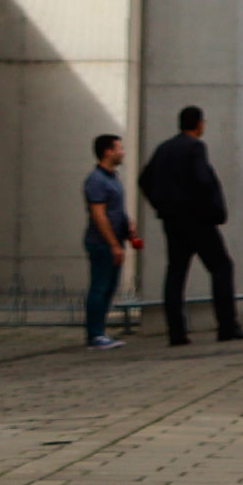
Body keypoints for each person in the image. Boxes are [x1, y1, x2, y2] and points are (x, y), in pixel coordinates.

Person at [138, 106, 243, 347]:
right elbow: (204, 181)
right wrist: (213, 211)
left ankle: (177, 333)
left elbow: (144, 179)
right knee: (221, 266)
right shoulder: (195, 147)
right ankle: (227, 326)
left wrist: (161, 205)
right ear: (199, 124)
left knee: (176, 273)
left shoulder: (164, 148)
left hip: (172, 221)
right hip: (198, 221)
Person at [81, 134, 134, 349]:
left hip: (115, 241)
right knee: (100, 287)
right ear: (107, 151)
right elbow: (99, 215)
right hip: (102, 243)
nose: (122, 152)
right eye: (119, 148)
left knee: (109, 288)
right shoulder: (96, 180)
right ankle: (94, 335)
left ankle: (100, 332)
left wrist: (128, 226)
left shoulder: (113, 178)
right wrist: (112, 244)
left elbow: (116, 210)